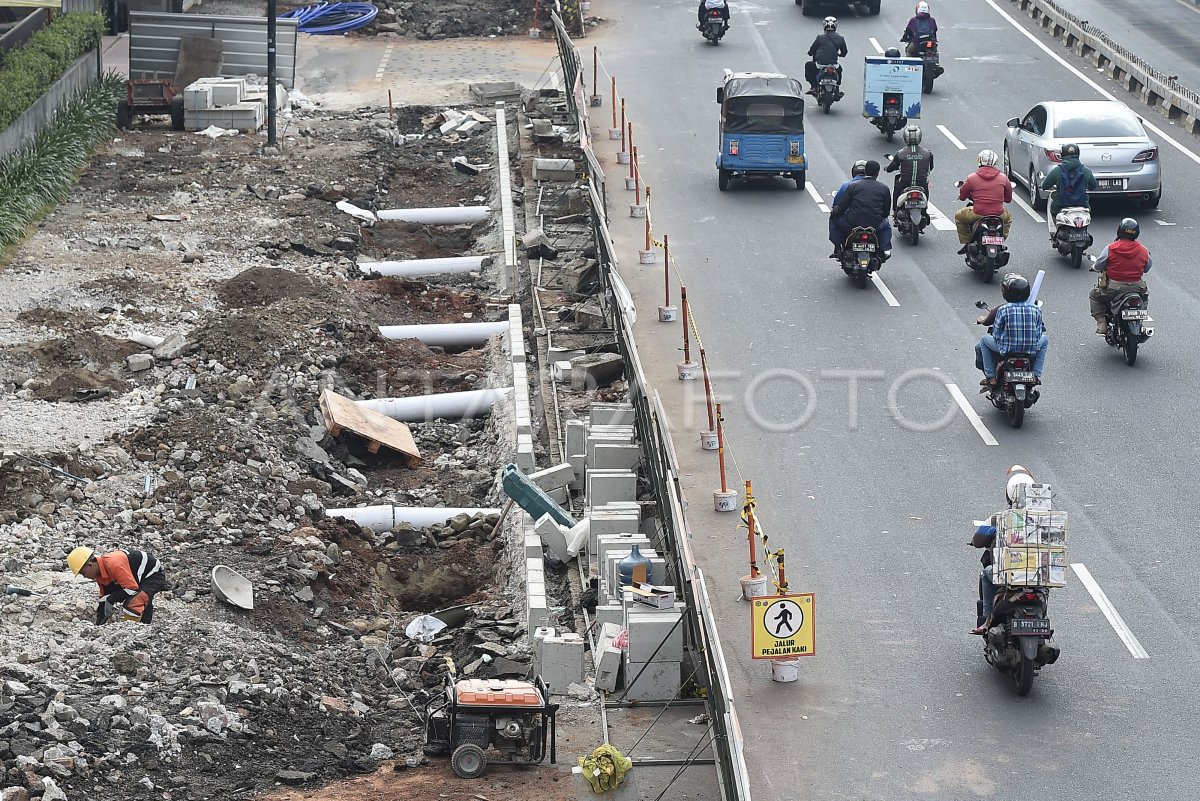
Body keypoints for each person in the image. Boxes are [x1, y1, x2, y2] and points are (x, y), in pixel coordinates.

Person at [971, 467, 1036, 634]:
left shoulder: (999, 518)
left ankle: (987, 620)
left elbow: (978, 540)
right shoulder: (1045, 520)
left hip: (1008, 574)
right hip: (1037, 575)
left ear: (1009, 495)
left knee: (987, 573)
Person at [975, 273, 1048, 388]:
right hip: (1030, 349)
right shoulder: (1036, 310)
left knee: (984, 340)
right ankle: (1036, 374)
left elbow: (996, 333)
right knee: (1045, 340)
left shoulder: (1003, 310)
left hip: (1007, 349)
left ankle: (991, 377)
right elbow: (1038, 333)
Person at [67, 546, 168, 625]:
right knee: (130, 598)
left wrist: (112, 598)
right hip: (135, 576)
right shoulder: (99, 574)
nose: (84, 577)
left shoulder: (114, 564)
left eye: (83, 573)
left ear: (90, 565)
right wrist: (99, 625)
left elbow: (132, 588)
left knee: (134, 603)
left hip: (152, 575)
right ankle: (143, 625)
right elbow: (105, 598)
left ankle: (136, 631)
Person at [1090, 218, 1151, 335]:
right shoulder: (1143, 250)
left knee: (1094, 296)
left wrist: (1095, 268)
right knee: (1145, 297)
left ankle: (1102, 324)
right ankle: (1140, 318)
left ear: (1120, 231)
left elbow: (1099, 264)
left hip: (1114, 287)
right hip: (1137, 287)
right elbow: (1147, 267)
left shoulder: (1111, 248)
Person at [829, 159, 892, 258]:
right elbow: (886, 212)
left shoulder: (853, 186)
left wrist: (835, 212)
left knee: (834, 219)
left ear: (865, 171)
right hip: (875, 224)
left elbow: (842, 206)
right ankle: (882, 250)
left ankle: (838, 247)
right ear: (878, 173)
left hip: (853, 222)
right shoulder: (884, 188)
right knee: (886, 225)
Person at [954, 149, 1013, 254]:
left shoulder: (972, 178)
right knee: (1008, 219)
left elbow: (963, 195)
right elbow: (1008, 199)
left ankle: (966, 242)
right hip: (999, 214)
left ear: (980, 161)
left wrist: (963, 196)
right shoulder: (1003, 178)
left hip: (978, 213)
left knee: (959, 216)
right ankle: (1002, 238)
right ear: (995, 162)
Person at [1041, 143, 1099, 237]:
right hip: (1082, 204)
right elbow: (1093, 186)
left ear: (1062, 155)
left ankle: (1056, 231)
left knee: (1053, 207)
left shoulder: (1057, 171)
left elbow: (1045, 185)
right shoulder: (1085, 170)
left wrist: (1043, 186)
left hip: (1062, 204)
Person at [885, 124, 934, 202]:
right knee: (926, 186)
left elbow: (892, 167)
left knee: (897, 188)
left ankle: (894, 210)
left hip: (904, 183)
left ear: (905, 137)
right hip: (921, 184)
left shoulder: (900, 153)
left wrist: (887, 168)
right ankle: (925, 208)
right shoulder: (928, 153)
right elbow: (930, 168)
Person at [805, 17, 847, 95]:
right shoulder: (840, 38)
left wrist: (810, 53)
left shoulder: (820, 38)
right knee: (840, 70)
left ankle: (813, 86)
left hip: (820, 65)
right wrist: (840, 55)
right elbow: (844, 52)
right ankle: (837, 88)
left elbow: (812, 49)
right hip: (834, 65)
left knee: (808, 65)